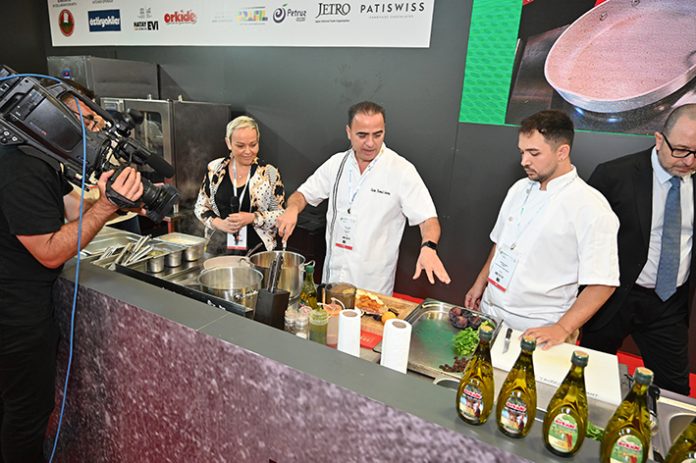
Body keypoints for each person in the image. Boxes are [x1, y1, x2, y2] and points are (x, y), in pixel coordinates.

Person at [0, 95, 143, 461]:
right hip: (15, 320)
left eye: (95, 123)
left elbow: (74, 207)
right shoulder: (21, 169)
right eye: (86, 122)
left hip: (19, 310)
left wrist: (112, 201)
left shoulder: (38, 158)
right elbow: (50, 251)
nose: (91, 132)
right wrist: (107, 206)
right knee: (26, 416)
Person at [464, 110, 619, 349]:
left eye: (534, 153)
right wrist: (480, 283)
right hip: (489, 314)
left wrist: (563, 328)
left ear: (562, 152)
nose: (524, 161)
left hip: (539, 330)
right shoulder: (518, 188)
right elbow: (501, 243)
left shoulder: (590, 206)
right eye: (522, 152)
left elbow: (603, 283)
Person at [276, 101, 450, 295]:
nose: (370, 143)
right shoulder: (336, 164)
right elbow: (302, 195)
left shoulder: (401, 170)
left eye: (378, 134)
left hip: (373, 288)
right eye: (362, 135)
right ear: (348, 132)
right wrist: (292, 209)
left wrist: (429, 247)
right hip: (333, 281)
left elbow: (428, 220)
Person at [581, 104, 696, 395]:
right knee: (589, 379)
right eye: (681, 150)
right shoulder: (615, 175)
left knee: (675, 391)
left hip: (669, 303)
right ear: (659, 139)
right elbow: (582, 240)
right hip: (614, 298)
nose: (689, 161)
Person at [194, 115, 285, 255]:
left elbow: (281, 214)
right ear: (229, 143)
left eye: (253, 145)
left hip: (257, 252)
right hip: (217, 249)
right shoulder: (215, 169)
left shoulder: (269, 173)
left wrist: (253, 218)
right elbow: (201, 207)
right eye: (240, 146)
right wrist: (219, 223)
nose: (248, 151)